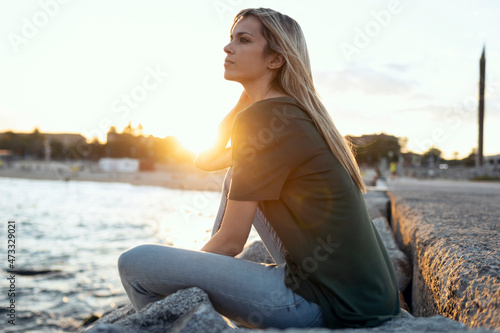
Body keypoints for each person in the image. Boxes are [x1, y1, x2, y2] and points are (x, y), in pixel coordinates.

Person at [118, 7, 401, 329]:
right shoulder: (284, 112)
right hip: (360, 299)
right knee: (232, 175)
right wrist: (244, 99)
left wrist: (183, 272)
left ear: (275, 59)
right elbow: (206, 161)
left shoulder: (266, 119)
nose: (228, 48)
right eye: (230, 39)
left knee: (135, 263)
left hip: (324, 304)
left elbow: (231, 241)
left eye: (243, 40)